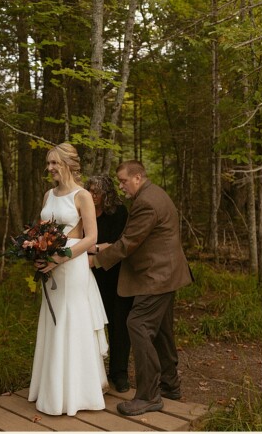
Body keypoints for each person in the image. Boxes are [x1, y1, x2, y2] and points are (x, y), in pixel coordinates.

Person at [92, 160, 192, 416]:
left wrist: (98, 259)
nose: (121, 186)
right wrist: (107, 247)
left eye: (124, 181)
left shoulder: (146, 202)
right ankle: (170, 386)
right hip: (165, 272)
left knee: (137, 324)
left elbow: (129, 243)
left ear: (137, 177)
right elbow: (134, 239)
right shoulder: (153, 193)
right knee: (161, 332)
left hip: (157, 276)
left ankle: (148, 396)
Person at [28, 142, 108, 416]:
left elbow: (91, 238)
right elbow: (41, 231)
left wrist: (60, 257)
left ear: (67, 164)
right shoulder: (48, 194)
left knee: (70, 319)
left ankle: (76, 393)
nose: (49, 168)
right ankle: (50, 389)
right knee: (51, 321)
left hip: (71, 267)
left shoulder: (82, 195)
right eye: (48, 163)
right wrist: (37, 253)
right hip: (50, 267)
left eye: (54, 163)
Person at [86, 175, 133, 393]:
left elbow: (118, 245)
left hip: (116, 276)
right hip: (89, 275)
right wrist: (100, 247)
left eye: (97, 192)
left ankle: (119, 373)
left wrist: (93, 248)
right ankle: (94, 373)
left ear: (106, 193)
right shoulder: (84, 212)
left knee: (118, 325)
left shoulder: (118, 212)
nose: (93, 196)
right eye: (90, 191)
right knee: (91, 325)